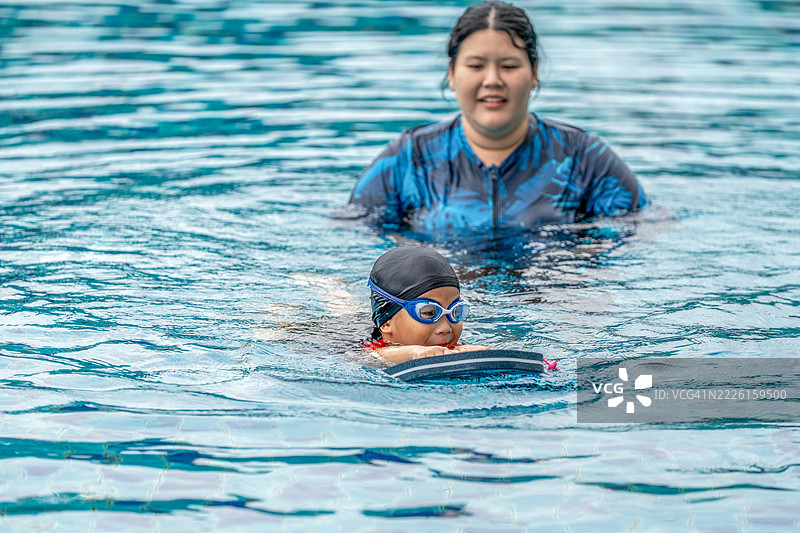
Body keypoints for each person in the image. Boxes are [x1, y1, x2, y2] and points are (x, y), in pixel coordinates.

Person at [348, 0, 648, 231]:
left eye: (509, 66)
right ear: (452, 74)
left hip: (553, 301)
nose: (492, 80)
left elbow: (640, 233)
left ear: (534, 73)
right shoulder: (410, 158)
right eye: (476, 66)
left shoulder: (584, 158)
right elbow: (352, 239)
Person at [364, 246, 489, 364]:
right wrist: (415, 354)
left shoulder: (444, 343)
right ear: (386, 324)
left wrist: (466, 351)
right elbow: (375, 355)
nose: (446, 329)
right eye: (429, 313)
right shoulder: (363, 344)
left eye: (455, 312)